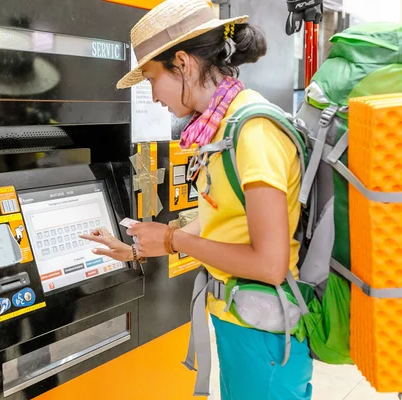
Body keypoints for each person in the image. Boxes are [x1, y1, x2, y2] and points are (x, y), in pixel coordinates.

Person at [80, 0, 313, 399]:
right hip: (242, 326)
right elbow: (221, 221)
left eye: (152, 78)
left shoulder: (252, 131)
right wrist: (140, 248)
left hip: (266, 338)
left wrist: (172, 241)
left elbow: (270, 264)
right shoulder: (223, 129)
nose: (152, 96)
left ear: (184, 64)